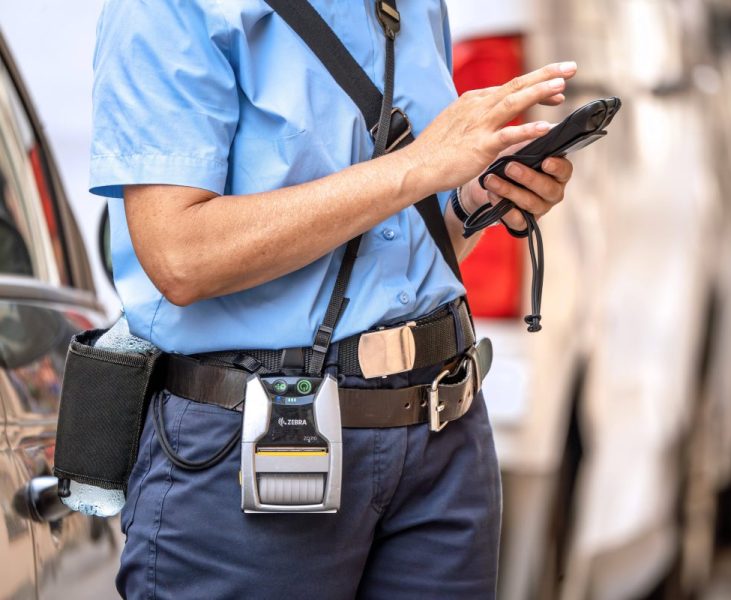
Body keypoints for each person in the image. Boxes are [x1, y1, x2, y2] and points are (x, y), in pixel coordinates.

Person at [89, 1, 576, 598]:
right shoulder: (170, 9)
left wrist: (471, 203)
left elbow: (395, 249)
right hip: (258, 441)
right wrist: (420, 166)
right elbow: (181, 257)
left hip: (443, 434)